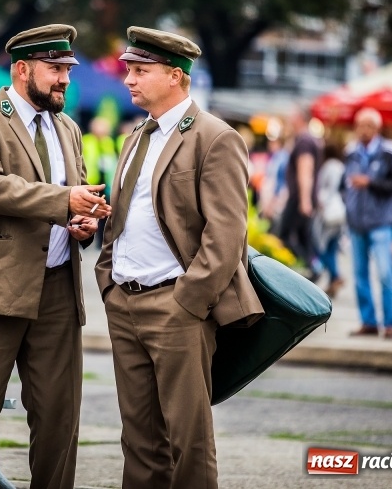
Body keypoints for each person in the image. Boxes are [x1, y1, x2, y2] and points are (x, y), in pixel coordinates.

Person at [95, 26, 263, 489]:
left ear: (175, 76)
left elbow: (227, 233)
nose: (129, 79)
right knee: (138, 439)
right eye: (129, 70)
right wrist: (108, 280)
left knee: (189, 440)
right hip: (125, 300)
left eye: (140, 71)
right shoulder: (137, 134)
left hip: (176, 304)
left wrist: (189, 301)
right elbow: (125, 215)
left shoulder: (215, 136)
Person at [0, 24, 110, 489]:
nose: (65, 79)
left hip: (57, 290)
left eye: (68, 70)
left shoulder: (69, 128)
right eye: (55, 69)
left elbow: (75, 196)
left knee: (60, 419)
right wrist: (64, 201)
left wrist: (83, 223)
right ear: (22, 69)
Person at [343, 108, 392, 339]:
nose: (364, 130)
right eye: (360, 125)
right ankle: (368, 321)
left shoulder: (389, 152)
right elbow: (344, 185)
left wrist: (369, 182)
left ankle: (390, 323)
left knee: (385, 273)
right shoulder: (351, 152)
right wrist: (348, 204)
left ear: (377, 128)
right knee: (360, 275)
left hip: (380, 222)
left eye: (369, 125)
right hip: (356, 222)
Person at [277, 106, 321, 278]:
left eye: (292, 115)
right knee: (303, 237)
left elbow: (305, 170)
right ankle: (312, 268)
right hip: (300, 197)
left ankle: (312, 268)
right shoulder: (303, 140)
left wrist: (304, 200)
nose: (289, 118)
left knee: (285, 234)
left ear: (301, 118)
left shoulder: (304, 141)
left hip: (299, 198)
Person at [313, 143, 346, 298]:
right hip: (340, 212)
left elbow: (330, 188)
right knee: (332, 248)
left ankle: (336, 276)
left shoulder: (330, 166)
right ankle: (333, 281)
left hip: (330, 213)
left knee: (322, 248)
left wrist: (322, 202)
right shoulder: (340, 165)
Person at [82, 116, 118, 247]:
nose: (103, 131)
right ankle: (84, 237)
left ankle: (101, 241)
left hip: (106, 183)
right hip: (90, 183)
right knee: (87, 211)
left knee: (104, 212)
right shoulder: (86, 141)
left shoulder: (109, 142)